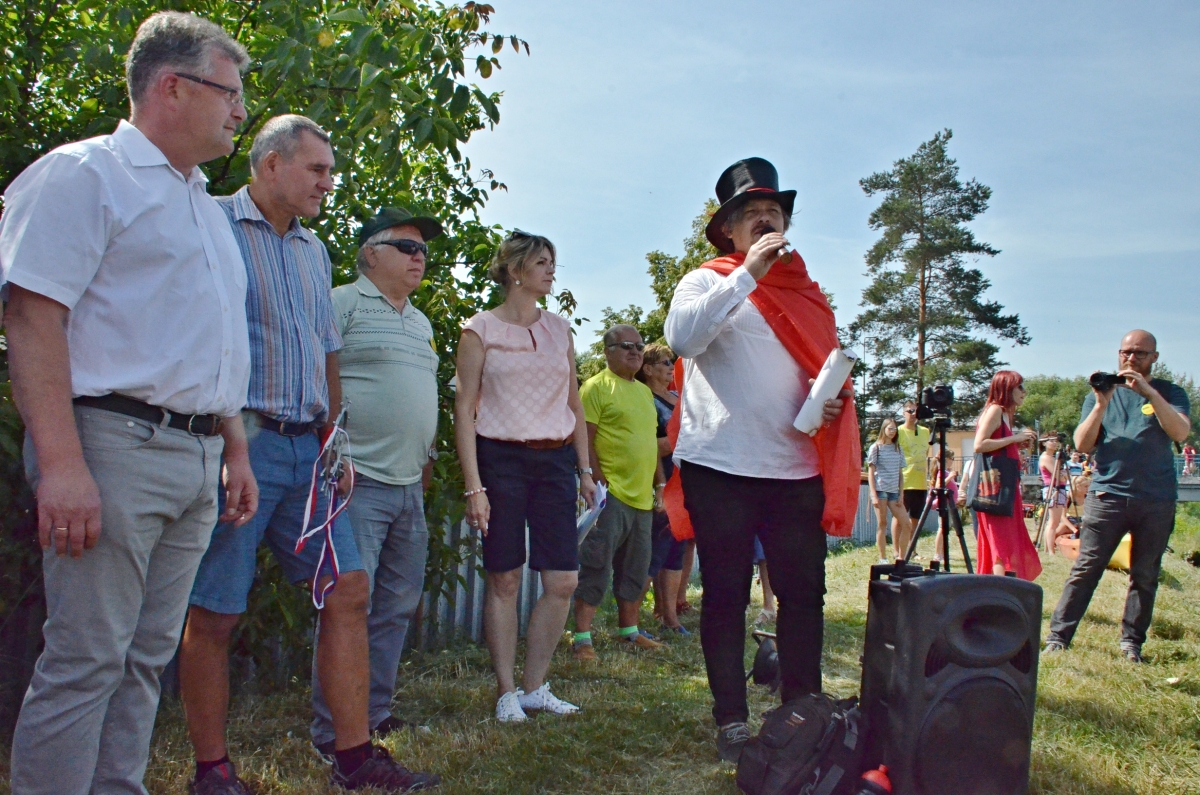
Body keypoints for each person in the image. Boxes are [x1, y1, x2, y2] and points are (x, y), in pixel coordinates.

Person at [0, 13, 257, 795]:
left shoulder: (204, 208)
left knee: (147, 657)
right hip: (109, 446)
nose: (241, 111)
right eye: (230, 92)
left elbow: (211, 345)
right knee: (87, 657)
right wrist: (64, 466)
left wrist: (234, 448)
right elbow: (32, 315)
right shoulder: (83, 174)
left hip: (196, 457)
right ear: (171, 88)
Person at [179, 116, 438, 793]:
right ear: (270, 165)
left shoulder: (313, 251)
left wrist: (335, 439)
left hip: (310, 455)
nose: (328, 181)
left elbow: (326, 350)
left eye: (330, 170)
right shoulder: (212, 225)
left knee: (348, 587)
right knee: (216, 609)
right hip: (244, 446)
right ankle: (212, 769)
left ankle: (353, 756)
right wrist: (228, 438)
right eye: (317, 169)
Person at [664, 157, 859, 763]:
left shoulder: (808, 294)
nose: (767, 218)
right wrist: (747, 274)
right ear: (729, 230)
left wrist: (824, 406)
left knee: (803, 594)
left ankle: (803, 710)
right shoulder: (705, 282)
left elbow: (813, 369)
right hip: (719, 466)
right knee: (724, 592)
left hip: (794, 467)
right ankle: (731, 719)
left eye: (774, 210)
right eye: (752, 213)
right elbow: (681, 340)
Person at [311, 207, 444, 755]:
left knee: (397, 604)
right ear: (370, 253)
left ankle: (375, 713)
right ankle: (331, 730)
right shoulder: (340, 302)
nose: (420, 258)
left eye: (423, 251)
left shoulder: (421, 320)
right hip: (354, 482)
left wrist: (428, 456)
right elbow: (319, 378)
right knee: (347, 607)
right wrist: (332, 453)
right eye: (407, 247)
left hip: (410, 484)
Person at [455, 230, 596, 723]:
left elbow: (574, 403)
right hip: (501, 461)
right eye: (541, 262)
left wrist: (584, 470)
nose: (551, 270)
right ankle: (506, 691)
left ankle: (536, 687)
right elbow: (464, 409)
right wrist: (474, 486)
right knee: (505, 578)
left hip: (556, 462)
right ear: (515, 270)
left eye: (552, 262)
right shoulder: (479, 330)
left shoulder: (560, 330)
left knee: (562, 580)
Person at [1045, 330, 1191, 663]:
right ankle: (1058, 636)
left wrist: (1149, 392)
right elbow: (1082, 444)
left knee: (1145, 574)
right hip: (1108, 494)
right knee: (1086, 568)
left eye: (1140, 353)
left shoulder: (1170, 392)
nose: (1131, 359)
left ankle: (1131, 643)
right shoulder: (1101, 393)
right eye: (1126, 352)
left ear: (1154, 357)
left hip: (1156, 498)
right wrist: (1100, 404)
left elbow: (1180, 432)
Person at [573, 325, 666, 657]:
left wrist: (660, 485)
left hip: (642, 498)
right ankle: (581, 637)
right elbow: (583, 438)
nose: (635, 351)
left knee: (636, 569)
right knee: (596, 565)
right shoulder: (596, 388)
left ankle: (629, 631)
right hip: (608, 497)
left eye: (639, 346)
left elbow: (651, 445)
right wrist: (597, 483)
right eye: (626, 346)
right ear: (607, 351)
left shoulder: (643, 392)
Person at [636, 343, 690, 635]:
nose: (671, 366)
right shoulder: (644, 398)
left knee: (676, 549)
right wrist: (680, 440)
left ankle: (670, 617)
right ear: (648, 369)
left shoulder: (679, 396)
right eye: (664, 362)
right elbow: (646, 443)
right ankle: (630, 622)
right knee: (655, 549)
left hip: (685, 480)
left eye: (672, 361)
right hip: (660, 479)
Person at [972, 371, 1042, 581]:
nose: (1024, 392)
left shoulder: (1004, 414)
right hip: (995, 489)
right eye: (1019, 387)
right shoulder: (994, 410)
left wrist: (1014, 441)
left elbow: (996, 444)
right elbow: (979, 444)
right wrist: (1015, 438)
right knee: (1000, 543)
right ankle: (999, 591)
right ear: (1006, 388)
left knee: (1006, 542)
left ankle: (1001, 588)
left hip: (1006, 487)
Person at [867, 418, 910, 563]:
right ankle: (883, 557)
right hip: (880, 490)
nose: (893, 431)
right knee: (882, 523)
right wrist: (873, 494)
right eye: (890, 428)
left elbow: (900, 473)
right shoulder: (876, 448)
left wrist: (901, 493)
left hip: (894, 491)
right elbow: (871, 473)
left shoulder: (898, 448)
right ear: (884, 429)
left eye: (895, 429)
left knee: (906, 524)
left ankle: (902, 558)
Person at [896, 400, 931, 549]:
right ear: (904, 413)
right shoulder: (898, 431)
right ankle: (897, 550)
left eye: (915, 411)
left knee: (915, 518)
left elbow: (927, 453)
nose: (913, 414)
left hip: (920, 481)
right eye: (909, 411)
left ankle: (912, 549)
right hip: (904, 480)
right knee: (899, 518)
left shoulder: (925, 431)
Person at [1039, 435, 1070, 554]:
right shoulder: (1046, 458)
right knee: (1053, 521)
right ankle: (1050, 550)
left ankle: (1049, 548)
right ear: (1044, 443)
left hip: (1058, 488)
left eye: (1055, 441)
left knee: (1053, 521)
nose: (1054, 443)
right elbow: (1058, 476)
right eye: (1051, 441)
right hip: (1053, 489)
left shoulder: (1052, 457)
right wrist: (1064, 476)